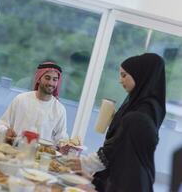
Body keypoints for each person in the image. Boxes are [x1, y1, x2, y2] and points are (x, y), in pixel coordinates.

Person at [67, 53, 166, 192]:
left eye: (124, 75)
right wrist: (92, 179)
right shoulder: (146, 106)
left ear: (139, 75)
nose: (120, 80)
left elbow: (117, 148)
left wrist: (85, 164)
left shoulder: (139, 115)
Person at [0, 62, 68, 144]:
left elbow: (61, 139)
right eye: (47, 78)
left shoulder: (59, 109)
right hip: (13, 150)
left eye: (54, 79)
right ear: (39, 79)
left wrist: (66, 145)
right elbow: (2, 124)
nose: (51, 83)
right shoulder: (21, 99)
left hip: (41, 155)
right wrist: (6, 131)